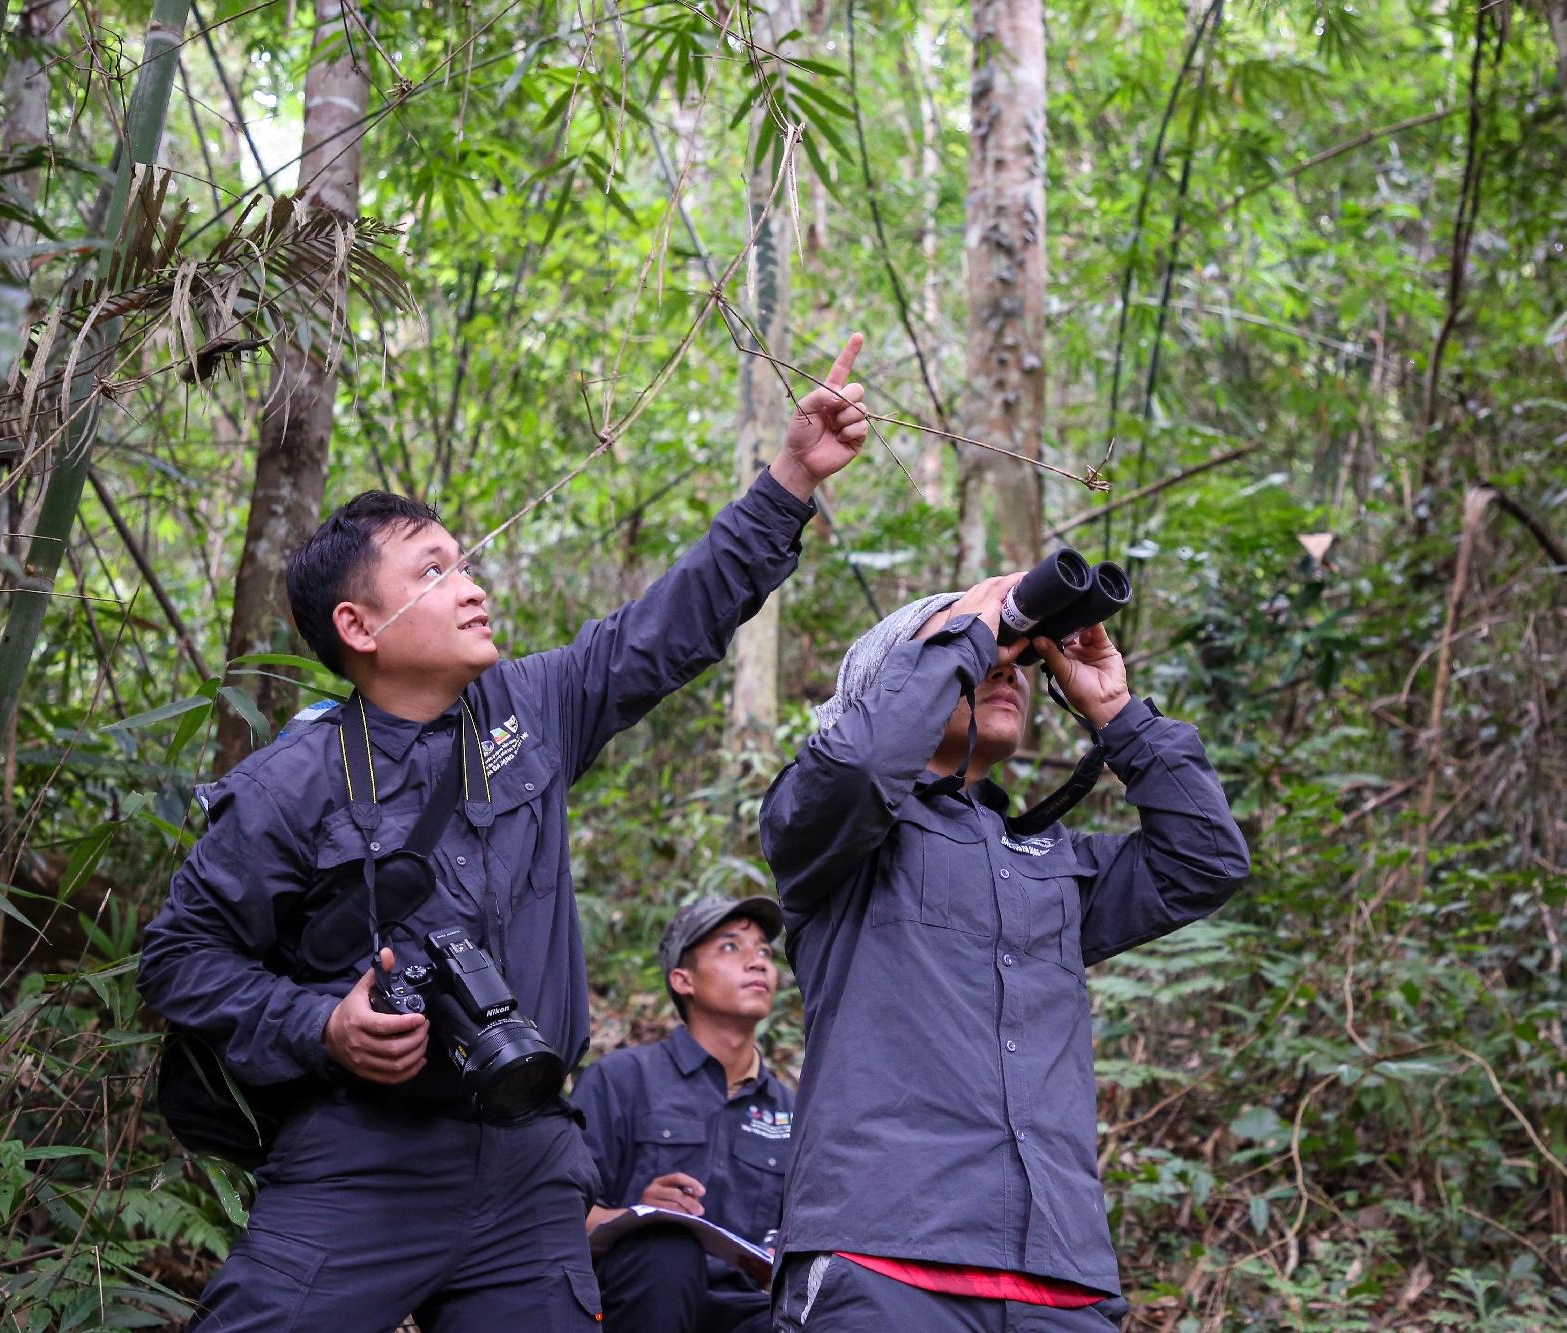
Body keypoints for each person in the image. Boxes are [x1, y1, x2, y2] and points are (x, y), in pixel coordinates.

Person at [134, 336, 871, 1332]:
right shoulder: (290, 782)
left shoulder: (529, 707)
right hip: (360, 1156)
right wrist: (326, 1025)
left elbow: (670, 625)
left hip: (528, 1158)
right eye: (433, 570)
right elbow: (179, 958)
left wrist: (787, 480)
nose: (470, 582)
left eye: (463, 560)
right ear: (360, 627)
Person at [759, 575, 1250, 1330]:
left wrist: (1116, 712)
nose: (1004, 668)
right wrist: (967, 630)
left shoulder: (1051, 858)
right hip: (884, 1258)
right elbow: (859, 770)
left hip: (1059, 1274)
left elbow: (1206, 861)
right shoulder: (833, 833)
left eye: (1016, 659)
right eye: (982, 654)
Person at [573, 896, 794, 1333]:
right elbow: (556, 1218)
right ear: (683, 979)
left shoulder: (792, 1111)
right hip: (635, 1299)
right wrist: (637, 1217)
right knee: (669, 1254)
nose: (758, 963)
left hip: (747, 1310)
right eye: (731, 947)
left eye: (765, 952)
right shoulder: (621, 1080)